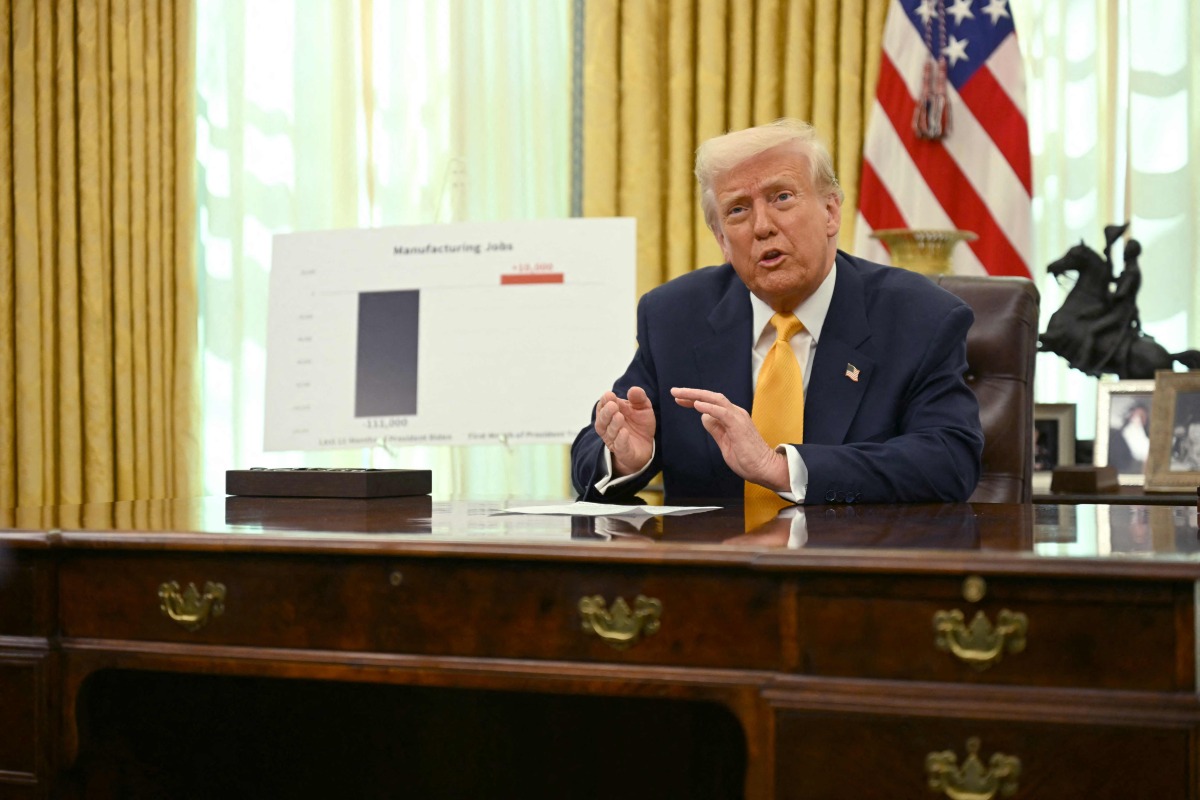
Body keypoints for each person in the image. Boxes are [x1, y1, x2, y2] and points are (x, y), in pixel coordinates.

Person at [570, 118, 983, 506]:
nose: (762, 226)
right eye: (737, 210)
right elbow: (593, 448)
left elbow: (949, 460)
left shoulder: (919, 317)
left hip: (853, 572)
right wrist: (627, 459)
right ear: (721, 240)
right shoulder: (675, 316)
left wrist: (781, 470)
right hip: (714, 575)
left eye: (781, 197)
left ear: (831, 212)